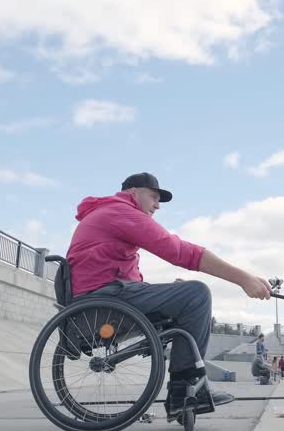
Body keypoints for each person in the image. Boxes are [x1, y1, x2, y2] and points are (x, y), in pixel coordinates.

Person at [67, 172, 271, 413]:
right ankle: (183, 390)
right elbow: (179, 251)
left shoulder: (110, 213)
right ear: (133, 193)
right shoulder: (120, 212)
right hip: (104, 300)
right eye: (153, 197)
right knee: (197, 293)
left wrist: (174, 294)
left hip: (105, 295)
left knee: (186, 295)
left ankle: (183, 389)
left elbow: (128, 279)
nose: (157, 205)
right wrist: (243, 279)